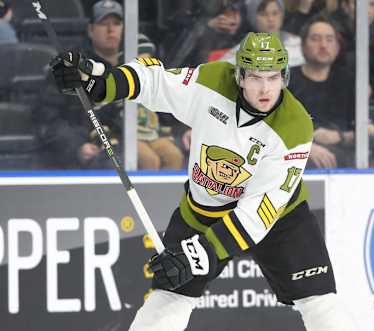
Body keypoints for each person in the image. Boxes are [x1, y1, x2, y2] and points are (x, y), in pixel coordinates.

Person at [50, 32, 357, 330]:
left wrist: (202, 254)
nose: (265, 89)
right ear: (239, 76)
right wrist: (101, 85)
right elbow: (156, 82)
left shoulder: (295, 125)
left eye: (273, 77)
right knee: (169, 295)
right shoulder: (213, 81)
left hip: (278, 218)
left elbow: (258, 213)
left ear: (284, 78)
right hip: (204, 209)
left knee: (319, 301)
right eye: (255, 77)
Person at [35, 0, 124, 169]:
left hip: (129, 148)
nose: (111, 29)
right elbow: (47, 118)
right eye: (103, 24)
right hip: (87, 158)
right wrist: (77, 147)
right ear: (90, 30)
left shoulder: (134, 65)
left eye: (116, 23)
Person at [290, 15, 368, 168]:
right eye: (315, 39)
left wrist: (339, 137)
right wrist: (304, 149)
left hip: (344, 162)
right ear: (302, 46)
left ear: (338, 47)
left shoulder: (350, 81)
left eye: (330, 39)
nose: (323, 45)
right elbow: (270, 128)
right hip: (296, 161)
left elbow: (368, 131)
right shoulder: (284, 81)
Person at [135, 34, 184, 170]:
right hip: (129, 137)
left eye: (148, 62)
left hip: (154, 134)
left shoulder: (156, 85)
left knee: (174, 155)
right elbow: (108, 112)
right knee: (150, 160)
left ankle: (169, 192)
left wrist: (167, 133)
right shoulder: (119, 84)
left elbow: (165, 115)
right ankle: (145, 192)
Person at [220, 0, 305, 67]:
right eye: (263, 14)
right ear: (253, 18)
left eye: (275, 13)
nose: (271, 19)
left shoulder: (297, 44)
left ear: (282, 15)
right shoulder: (242, 49)